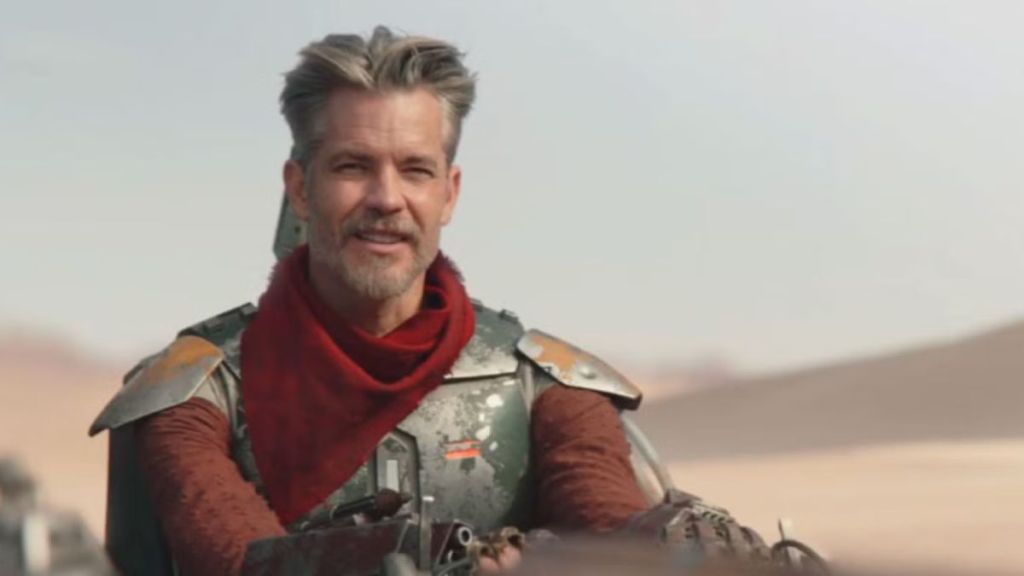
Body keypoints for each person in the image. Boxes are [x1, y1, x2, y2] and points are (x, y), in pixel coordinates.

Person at [89, 27, 765, 576]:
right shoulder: (196, 393)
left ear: (449, 193)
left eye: (415, 170)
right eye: (353, 166)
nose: (387, 199)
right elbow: (235, 562)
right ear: (300, 188)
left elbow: (610, 530)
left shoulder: (546, 384)